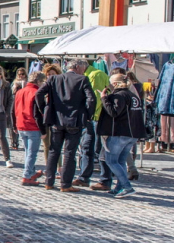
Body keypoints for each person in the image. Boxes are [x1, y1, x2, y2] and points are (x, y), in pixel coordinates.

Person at [34, 58, 97, 192]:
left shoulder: (54, 79)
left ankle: (49, 181)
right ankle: (65, 184)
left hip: (57, 119)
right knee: (69, 152)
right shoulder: (82, 80)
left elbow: (39, 93)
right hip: (74, 120)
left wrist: (45, 109)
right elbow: (91, 99)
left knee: (54, 150)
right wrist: (88, 115)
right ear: (78, 68)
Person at [98, 73, 145, 197]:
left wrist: (104, 98)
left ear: (114, 84)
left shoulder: (118, 96)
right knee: (120, 161)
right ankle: (119, 187)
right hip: (132, 134)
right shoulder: (133, 96)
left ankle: (127, 187)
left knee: (111, 161)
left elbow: (113, 112)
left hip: (120, 133)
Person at [74, 60, 110, 189]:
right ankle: (84, 177)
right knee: (87, 147)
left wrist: (89, 115)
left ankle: (105, 180)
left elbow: (95, 98)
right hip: (92, 118)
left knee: (101, 150)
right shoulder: (88, 76)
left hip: (98, 118)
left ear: (80, 67)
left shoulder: (95, 75)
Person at [15, 71, 46, 185]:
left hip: (21, 125)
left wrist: (14, 124)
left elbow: (14, 110)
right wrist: (43, 130)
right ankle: (27, 175)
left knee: (28, 152)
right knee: (32, 153)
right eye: (42, 82)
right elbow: (38, 114)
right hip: (32, 126)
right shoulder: (36, 92)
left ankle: (31, 172)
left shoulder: (20, 92)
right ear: (38, 81)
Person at [9, 67, 28, 150]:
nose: (21, 76)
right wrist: (15, 87)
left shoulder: (27, 83)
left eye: (22, 74)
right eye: (19, 74)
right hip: (14, 102)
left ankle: (25, 142)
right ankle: (14, 142)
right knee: (13, 121)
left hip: (24, 103)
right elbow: (11, 93)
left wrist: (23, 85)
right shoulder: (14, 83)